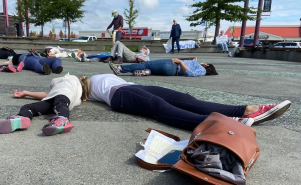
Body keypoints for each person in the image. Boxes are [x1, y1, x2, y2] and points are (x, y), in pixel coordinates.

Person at [86, 74, 291, 130]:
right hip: (119, 96)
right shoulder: (77, 86)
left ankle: (246, 110)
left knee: (186, 99)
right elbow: (61, 94)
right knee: (160, 107)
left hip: (132, 86)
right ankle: (219, 124)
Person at [0, 74, 90, 136]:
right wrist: (26, 93)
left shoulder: (71, 78)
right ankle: (22, 118)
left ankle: (63, 119)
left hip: (62, 97)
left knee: (60, 102)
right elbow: (48, 95)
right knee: (28, 107)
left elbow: (54, 81)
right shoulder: (76, 95)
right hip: (58, 100)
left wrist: (27, 93)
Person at [109, 58, 218, 77]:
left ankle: (121, 69)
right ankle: (146, 72)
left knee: (148, 64)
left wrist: (180, 61)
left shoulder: (202, 70)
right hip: (172, 71)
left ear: (207, 65)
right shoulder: (201, 69)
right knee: (151, 67)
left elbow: (189, 73)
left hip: (172, 65)